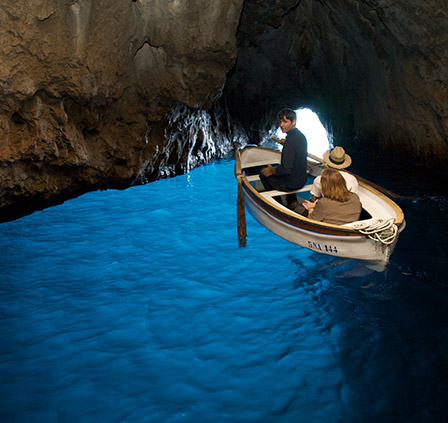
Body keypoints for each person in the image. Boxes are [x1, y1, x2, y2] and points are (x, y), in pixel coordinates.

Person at [259, 108, 308, 208]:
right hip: (302, 180)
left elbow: (286, 169)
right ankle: (292, 200)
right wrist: (285, 143)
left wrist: (272, 170)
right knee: (285, 171)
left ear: (293, 121)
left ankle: (277, 204)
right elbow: (295, 147)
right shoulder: (301, 137)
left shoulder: (290, 142)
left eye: (285, 121)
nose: (281, 125)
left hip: (292, 184)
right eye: (280, 122)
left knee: (263, 174)